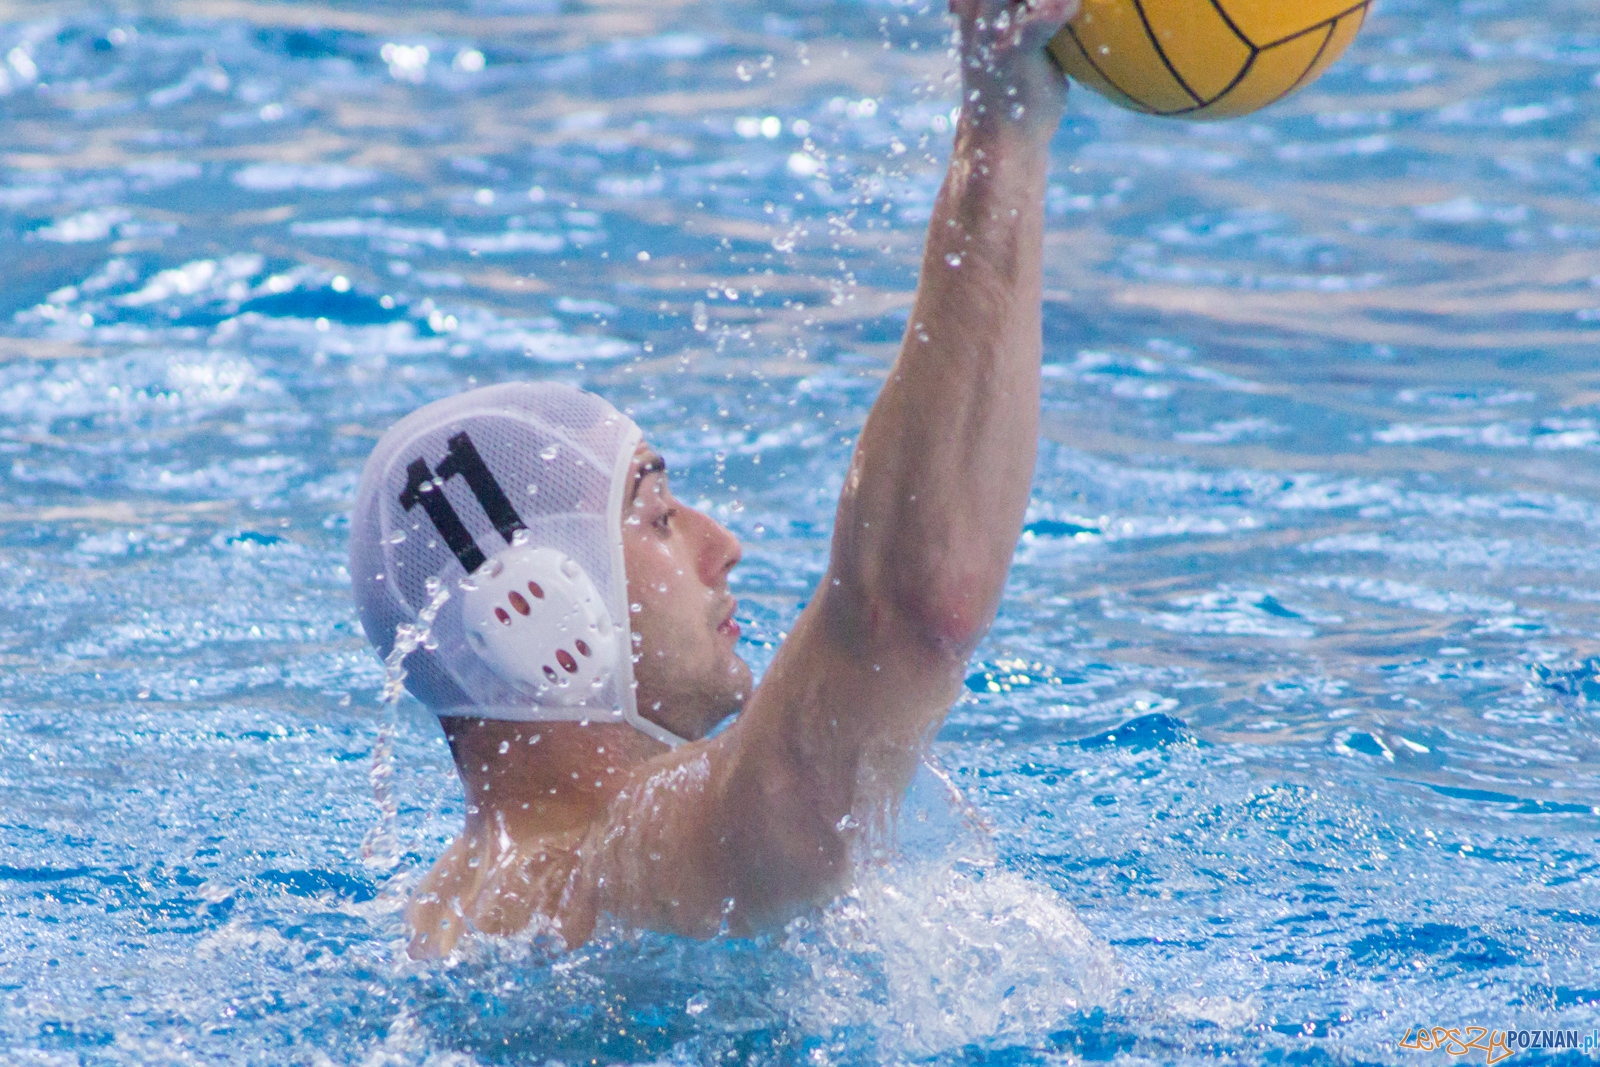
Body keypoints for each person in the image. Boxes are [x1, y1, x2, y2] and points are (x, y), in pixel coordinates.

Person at [350, 0, 1079, 957]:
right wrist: (1001, 125)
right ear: (537, 610)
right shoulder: (612, 874)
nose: (722, 545)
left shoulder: (467, 902)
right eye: (656, 514)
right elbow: (913, 611)